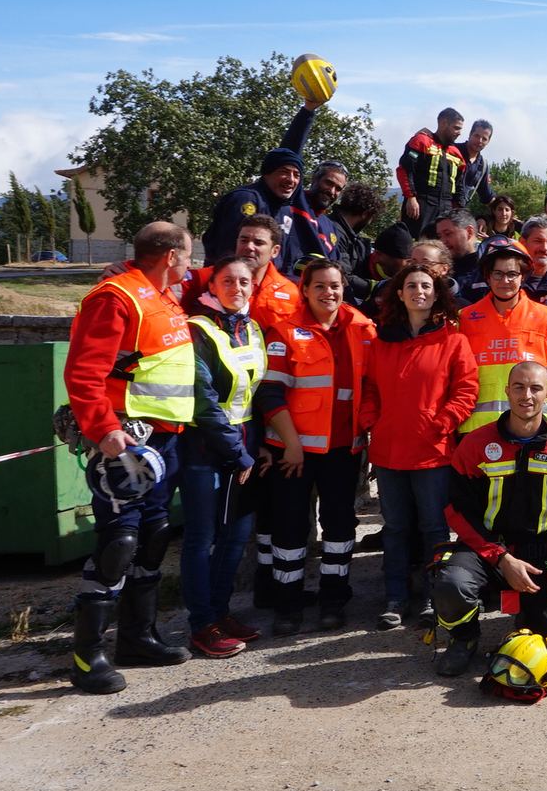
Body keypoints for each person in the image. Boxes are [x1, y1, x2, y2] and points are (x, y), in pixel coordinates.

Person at [63, 222, 197, 694]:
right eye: (187, 255)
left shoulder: (162, 296)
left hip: (163, 443)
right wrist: (103, 430)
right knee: (118, 542)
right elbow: (84, 372)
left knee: (154, 536)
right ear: (169, 257)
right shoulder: (116, 297)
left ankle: (138, 637)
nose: (191, 264)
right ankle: (87, 654)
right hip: (126, 443)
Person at [433, 361, 547, 677]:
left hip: (543, 554)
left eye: (536, 388)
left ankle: (530, 615)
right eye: (519, 387)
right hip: (486, 550)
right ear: (507, 391)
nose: (527, 396)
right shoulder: (475, 445)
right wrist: (501, 558)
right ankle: (464, 639)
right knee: (451, 584)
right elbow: (457, 510)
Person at [255, 258, 375, 634]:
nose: (329, 292)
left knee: (339, 525)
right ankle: (287, 605)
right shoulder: (284, 331)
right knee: (289, 527)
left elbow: (373, 386)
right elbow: (270, 393)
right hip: (292, 451)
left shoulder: (363, 328)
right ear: (304, 290)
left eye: (335, 285)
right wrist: (290, 444)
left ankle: (334, 599)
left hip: (343, 449)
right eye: (319, 286)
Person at [359, 263, 479, 630]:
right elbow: (370, 392)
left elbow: (466, 389)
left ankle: (433, 595)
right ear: (399, 293)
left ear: (437, 293)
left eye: (426, 286)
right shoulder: (381, 343)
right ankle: (395, 597)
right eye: (411, 285)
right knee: (395, 528)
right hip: (389, 452)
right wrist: (371, 423)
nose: (419, 291)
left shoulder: (453, 340)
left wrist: (441, 424)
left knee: (433, 528)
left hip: (433, 452)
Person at [176, 255, 267, 659]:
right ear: (211, 287)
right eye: (227, 281)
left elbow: (255, 395)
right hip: (205, 450)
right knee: (201, 539)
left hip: (244, 448)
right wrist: (238, 454)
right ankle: (201, 624)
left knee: (235, 537)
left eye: (244, 281)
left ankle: (221, 612)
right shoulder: (197, 329)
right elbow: (204, 401)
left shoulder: (252, 328)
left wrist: (258, 446)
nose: (237, 287)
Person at [456, 240, 547, 434]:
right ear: (488, 277)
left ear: (523, 276)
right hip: (477, 430)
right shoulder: (465, 318)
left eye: (512, 274)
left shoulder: (544, 316)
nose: (505, 281)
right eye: (498, 274)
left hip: (532, 428)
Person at [203, 101, 334, 270]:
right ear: (267, 173)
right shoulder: (246, 199)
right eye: (284, 172)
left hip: (266, 292)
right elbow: (228, 256)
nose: (291, 180)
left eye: (296, 175)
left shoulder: (286, 210)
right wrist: (308, 110)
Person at [397, 107, 468, 237]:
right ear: (443, 123)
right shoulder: (421, 141)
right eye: (456, 128)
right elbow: (405, 170)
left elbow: (459, 186)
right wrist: (411, 198)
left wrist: (460, 210)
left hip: (446, 209)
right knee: (414, 244)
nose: (459, 133)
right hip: (422, 204)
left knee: (441, 249)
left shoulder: (457, 154)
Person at [435, 209, 485, 300]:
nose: (442, 241)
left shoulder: (489, 269)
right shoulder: (440, 271)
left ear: (469, 232)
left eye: (448, 234)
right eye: (439, 236)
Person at [458, 119, 496, 212]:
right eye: (477, 136)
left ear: (488, 141)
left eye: (484, 139)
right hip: (437, 208)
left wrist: (508, 213)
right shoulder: (452, 150)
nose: (480, 141)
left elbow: (486, 195)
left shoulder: (483, 165)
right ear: (470, 134)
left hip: (458, 214)